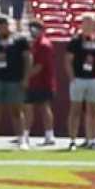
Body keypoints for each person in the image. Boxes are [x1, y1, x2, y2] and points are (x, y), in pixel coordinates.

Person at [0, 16, 31, 145]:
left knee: (16, 110)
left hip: (14, 79)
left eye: (4, 24)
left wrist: (26, 78)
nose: (2, 27)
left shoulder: (20, 40)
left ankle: (21, 139)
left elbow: (27, 59)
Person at [65, 14, 95, 149]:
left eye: (90, 23)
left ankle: (92, 140)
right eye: (85, 23)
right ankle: (72, 140)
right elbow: (68, 60)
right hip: (78, 79)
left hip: (94, 79)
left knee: (93, 110)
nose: (88, 26)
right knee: (75, 110)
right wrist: (72, 78)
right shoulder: (75, 41)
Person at [26, 18, 58, 146]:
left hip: (43, 82)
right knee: (28, 108)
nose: (32, 31)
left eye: (35, 28)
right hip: (33, 82)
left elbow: (39, 66)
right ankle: (25, 134)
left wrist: (25, 77)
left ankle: (49, 135)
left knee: (44, 108)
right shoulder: (33, 44)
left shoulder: (44, 44)